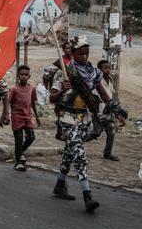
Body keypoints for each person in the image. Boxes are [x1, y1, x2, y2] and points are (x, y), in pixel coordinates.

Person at [49, 36, 114, 212]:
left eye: (86, 53)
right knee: (79, 155)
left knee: (70, 153)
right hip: (67, 118)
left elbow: (104, 94)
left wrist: (114, 109)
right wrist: (62, 88)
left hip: (84, 119)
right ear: (73, 52)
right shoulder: (64, 71)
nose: (84, 57)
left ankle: (60, 185)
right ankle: (88, 195)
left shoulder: (93, 72)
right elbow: (52, 98)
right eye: (80, 53)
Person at [7, 65, 39, 171]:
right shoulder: (14, 89)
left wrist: (37, 117)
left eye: (26, 75)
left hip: (27, 117)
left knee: (31, 137)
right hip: (17, 117)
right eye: (22, 74)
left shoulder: (32, 88)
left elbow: (33, 103)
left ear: (29, 76)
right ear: (18, 76)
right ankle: (18, 162)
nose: (24, 77)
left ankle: (20, 153)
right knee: (19, 139)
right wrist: (6, 115)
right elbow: (7, 102)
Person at [96, 60, 120, 161]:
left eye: (109, 68)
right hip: (99, 110)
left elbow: (112, 95)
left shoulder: (111, 79)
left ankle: (107, 153)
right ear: (99, 69)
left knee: (111, 132)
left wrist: (117, 111)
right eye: (105, 68)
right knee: (95, 132)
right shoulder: (97, 81)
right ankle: (74, 145)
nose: (108, 70)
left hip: (109, 110)